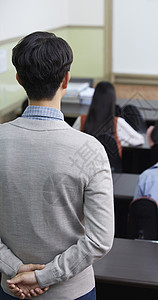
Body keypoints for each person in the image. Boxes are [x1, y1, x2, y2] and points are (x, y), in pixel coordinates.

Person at [0, 31, 114, 300]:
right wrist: (43, 276)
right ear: (66, 79)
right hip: (73, 293)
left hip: (10, 288)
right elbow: (100, 240)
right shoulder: (90, 150)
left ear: (19, 80)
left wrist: (14, 268)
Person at [73, 81, 144, 157]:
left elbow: (71, 140)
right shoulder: (118, 123)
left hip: (85, 166)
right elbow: (140, 140)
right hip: (110, 168)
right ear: (113, 101)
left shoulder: (81, 120)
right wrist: (120, 142)